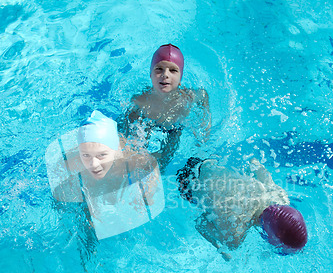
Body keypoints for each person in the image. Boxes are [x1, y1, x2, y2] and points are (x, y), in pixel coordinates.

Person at [47, 111, 164, 242]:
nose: (93, 164)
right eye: (86, 155)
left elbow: (151, 163)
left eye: (101, 156)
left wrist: (149, 188)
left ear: (115, 151)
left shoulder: (129, 160)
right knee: (88, 223)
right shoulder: (75, 162)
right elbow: (58, 173)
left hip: (119, 159)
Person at [177, 157, 307, 258]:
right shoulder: (234, 234)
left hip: (207, 161)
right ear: (270, 237)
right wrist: (220, 249)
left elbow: (254, 163)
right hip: (186, 182)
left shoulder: (280, 196)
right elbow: (200, 223)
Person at [119, 44, 211, 171]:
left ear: (180, 78)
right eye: (159, 69)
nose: (165, 74)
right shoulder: (140, 101)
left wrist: (205, 126)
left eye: (173, 70)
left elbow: (203, 95)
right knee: (135, 154)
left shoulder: (186, 98)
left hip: (174, 128)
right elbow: (125, 131)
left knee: (163, 161)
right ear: (150, 74)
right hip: (148, 123)